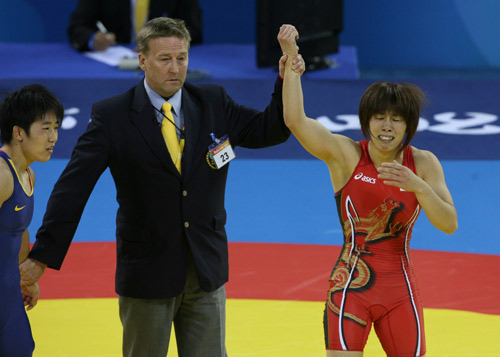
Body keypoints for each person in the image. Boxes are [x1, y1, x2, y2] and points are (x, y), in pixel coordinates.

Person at [20, 18, 305, 357]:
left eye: (181, 58)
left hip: (205, 269)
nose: (175, 68)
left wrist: (287, 76)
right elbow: (73, 188)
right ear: (142, 60)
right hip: (147, 273)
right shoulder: (112, 116)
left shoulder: (212, 101)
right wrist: (42, 256)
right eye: (164, 59)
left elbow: (268, 131)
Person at [277, 25, 458, 357]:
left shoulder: (424, 163)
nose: (386, 127)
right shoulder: (346, 155)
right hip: (350, 288)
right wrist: (291, 62)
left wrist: (418, 186)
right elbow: (295, 121)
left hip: (401, 293)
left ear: (409, 125)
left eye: (396, 120)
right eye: (378, 118)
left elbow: (449, 224)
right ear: (366, 121)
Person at [0, 84, 63, 356]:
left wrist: (25, 281)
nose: (54, 137)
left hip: (8, 298)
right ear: (18, 133)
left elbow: (19, 231)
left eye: (56, 128)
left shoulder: (27, 175)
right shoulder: (2, 176)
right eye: (45, 128)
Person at [67, 0, 203, 52]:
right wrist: (93, 39)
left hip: (162, 60)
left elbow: (193, 29)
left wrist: (163, 42)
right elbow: (77, 27)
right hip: (115, 61)